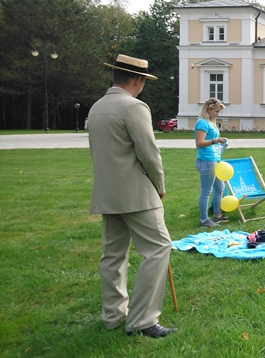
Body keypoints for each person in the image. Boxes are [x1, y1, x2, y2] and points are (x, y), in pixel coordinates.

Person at [87, 54, 177, 339]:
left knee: (113, 255)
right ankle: (142, 319)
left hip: (107, 192)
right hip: (136, 192)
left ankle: (113, 316)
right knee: (158, 248)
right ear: (137, 80)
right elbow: (149, 153)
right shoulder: (134, 106)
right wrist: (159, 184)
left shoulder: (97, 107)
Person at [194, 98, 229, 227]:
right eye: (216, 111)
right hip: (207, 160)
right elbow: (200, 143)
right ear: (208, 110)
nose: (218, 114)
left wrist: (220, 144)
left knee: (220, 187)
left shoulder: (211, 122)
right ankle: (204, 220)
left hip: (215, 159)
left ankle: (217, 215)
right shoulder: (202, 123)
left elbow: (212, 140)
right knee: (206, 190)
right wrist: (215, 141)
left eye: (219, 111)